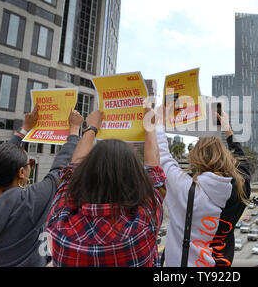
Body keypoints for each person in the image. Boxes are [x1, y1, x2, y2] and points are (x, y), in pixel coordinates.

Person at [46, 108, 167, 267]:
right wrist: (149, 127)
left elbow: (71, 171)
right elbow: (154, 171)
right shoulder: (144, 224)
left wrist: (91, 127)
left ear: (85, 174)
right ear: (135, 178)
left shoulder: (60, 224)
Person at [0, 107, 83, 266]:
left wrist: (25, 129)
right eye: (30, 163)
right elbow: (59, 171)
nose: (30, 167)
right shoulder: (28, 204)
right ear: (21, 172)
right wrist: (74, 131)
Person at [155, 106, 251, 267]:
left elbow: (162, 157)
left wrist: (159, 123)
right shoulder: (240, 190)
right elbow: (244, 166)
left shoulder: (185, 189)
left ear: (195, 158)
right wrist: (228, 130)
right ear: (226, 158)